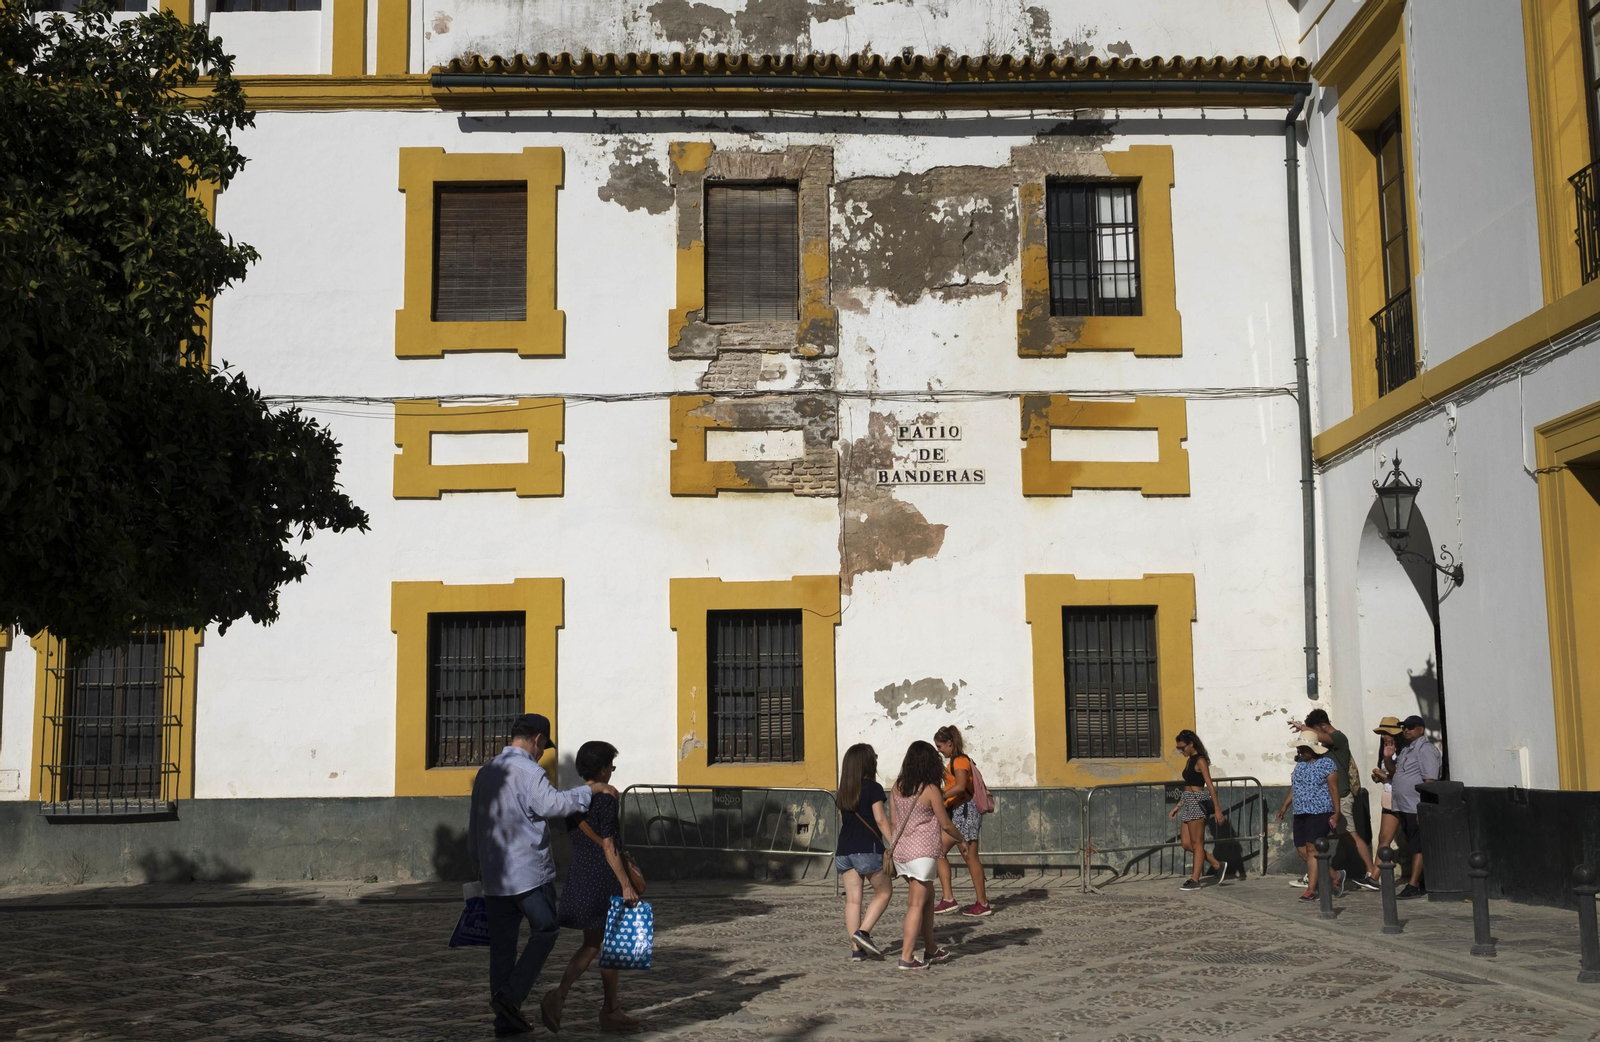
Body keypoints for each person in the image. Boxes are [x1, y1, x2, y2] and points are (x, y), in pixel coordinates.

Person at [468, 714, 602, 1038]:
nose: (542, 753)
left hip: (495, 875)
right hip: (527, 873)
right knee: (546, 929)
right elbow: (552, 805)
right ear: (538, 739)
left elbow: (474, 824)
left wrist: (478, 867)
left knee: (502, 948)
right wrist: (587, 793)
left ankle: (505, 1022)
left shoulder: (487, 772)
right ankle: (510, 997)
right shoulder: (530, 770)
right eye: (544, 747)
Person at [543, 741, 640, 1034]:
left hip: (582, 876)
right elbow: (609, 847)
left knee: (593, 944)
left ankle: (600, 1005)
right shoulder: (606, 800)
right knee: (610, 947)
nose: (612, 771)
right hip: (605, 879)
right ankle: (596, 1006)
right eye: (611, 766)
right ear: (602, 769)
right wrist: (626, 885)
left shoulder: (575, 801)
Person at [888, 740, 968, 970]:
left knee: (927, 898)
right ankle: (907, 957)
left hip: (901, 852)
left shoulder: (897, 786)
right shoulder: (931, 790)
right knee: (915, 903)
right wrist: (961, 839)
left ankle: (931, 949)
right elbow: (945, 823)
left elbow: (894, 822)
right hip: (922, 854)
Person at [1290, 709, 1379, 889]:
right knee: (1313, 842)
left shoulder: (1339, 738)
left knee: (1349, 835)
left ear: (1323, 726)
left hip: (1340, 796)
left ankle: (1371, 874)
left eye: (1317, 730)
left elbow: (1320, 738)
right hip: (1322, 800)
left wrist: (1302, 727)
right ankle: (1323, 874)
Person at [833, 743, 893, 961]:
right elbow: (880, 819)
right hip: (867, 849)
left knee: (853, 900)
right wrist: (893, 841)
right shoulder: (873, 788)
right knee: (884, 893)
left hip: (844, 851)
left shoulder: (844, 791)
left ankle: (856, 951)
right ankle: (863, 932)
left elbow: (843, 821)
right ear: (868, 762)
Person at [1275, 734, 1345, 903]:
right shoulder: (1300, 764)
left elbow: (1333, 788)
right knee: (1302, 851)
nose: (1300, 752)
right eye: (1299, 749)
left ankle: (1311, 890)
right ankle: (1335, 875)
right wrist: (1285, 805)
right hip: (1301, 812)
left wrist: (1337, 811)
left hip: (1320, 811)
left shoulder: (1327, 764)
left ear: (1313, 749)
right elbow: (1295, 786)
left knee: (1312, 849)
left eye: (1304, 749)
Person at [931, 725, 991, 917]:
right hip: (958, 812)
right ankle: (948, 898)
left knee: (970, 857)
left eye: (940, 746)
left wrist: (941, 795)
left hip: (966, 811)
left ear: (950, 743)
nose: (939, 750)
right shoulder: (956, 761)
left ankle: (982, 903)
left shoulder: (960, 761)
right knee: (938, 850)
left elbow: (960, 786)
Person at [1390, 714, 1442, 899]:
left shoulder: (1425, 750)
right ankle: (1421, 881)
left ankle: (1413, 885)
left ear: (1421, 729)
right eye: (1404, 727)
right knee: (1414, 844)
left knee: (1419, 846)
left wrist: (1423, 807)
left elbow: (1429, 781)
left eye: (1410, 727)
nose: (1406, 730)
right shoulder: (1406, 750)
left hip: (1415, 806)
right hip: (1404, 806)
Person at [1168, 729, 1227, 891]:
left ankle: (1195, 879)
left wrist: (1217, 809)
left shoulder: (1200, 760)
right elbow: (1188, 787)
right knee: (1186, 843)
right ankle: (1216, 864)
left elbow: (1209, 786)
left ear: (1191, 744)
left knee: (1197, 843)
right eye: (1179, 748)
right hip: (1187, 801)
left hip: (1197, 802)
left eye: (1182, 747)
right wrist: (1178, 806)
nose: (1181, 751)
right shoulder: (1189, 760)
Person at [1369, 719, 1403, 858]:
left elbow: (1403, 775)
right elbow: (1388, 775)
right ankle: (1374, 877)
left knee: (1411, 838)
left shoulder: (1402, 751)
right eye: (1381, 733)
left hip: (1403, 797)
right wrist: (1379, 777)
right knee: (1383, 838)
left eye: (1385, 732)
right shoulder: (1383, 751)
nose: (1383, 736)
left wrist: (1385, 773)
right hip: (1389, 796)